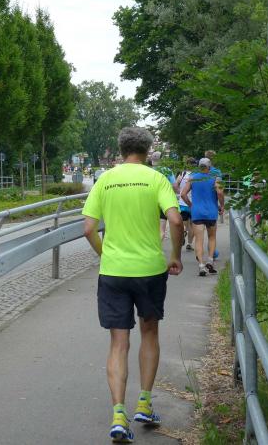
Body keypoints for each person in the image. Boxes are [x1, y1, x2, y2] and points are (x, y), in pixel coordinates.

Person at [83, 127, 184, 443]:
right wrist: (175, 255)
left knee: (118, 341)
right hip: (150, 270)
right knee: (149, 332)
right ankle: (144, 403)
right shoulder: (156, 179)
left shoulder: (105, 179)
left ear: (120, 149)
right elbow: (176, 220)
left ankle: (118, 416)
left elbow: (88, 228)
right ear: (148, 150)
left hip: (114, 271)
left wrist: (105, 255)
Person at [181, 157, 224, 276]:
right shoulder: (216, 177)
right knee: (212, 237)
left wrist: (191, 205)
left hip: (197, 212)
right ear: (209, 166)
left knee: (199, 240)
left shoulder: (192, 178)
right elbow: (220, 192)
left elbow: (183, 194)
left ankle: (201, 265)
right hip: (211, 212)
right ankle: (210, 260)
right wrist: (222, 205)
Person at [175, 157, 196, 250]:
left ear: (186, 164)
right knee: (192, 225)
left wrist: (180, 192)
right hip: (193, 203)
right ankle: (189, 244)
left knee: (183, 223)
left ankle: (184, 231)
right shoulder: (196, 175)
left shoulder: (182, 174)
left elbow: (175, 185)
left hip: (182, 203)